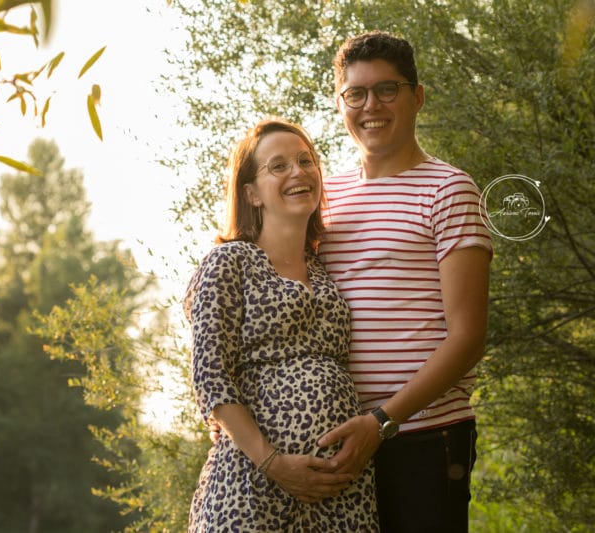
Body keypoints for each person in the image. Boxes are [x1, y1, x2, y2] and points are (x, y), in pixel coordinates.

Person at [315, 31, 492, 532]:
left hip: (424, 437)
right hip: (336, 439)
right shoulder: (325, 198)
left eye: (387, 90)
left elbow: (468, 337)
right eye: (356, 93)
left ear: (417, 96)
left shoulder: (449, 189)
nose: (371, 105)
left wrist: (381, 422)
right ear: (340, 102)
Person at [183, 118, 379, 532]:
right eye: (278, 166)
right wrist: (274, 463)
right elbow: (211, 377)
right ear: (251, 192)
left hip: (340, 493)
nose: (298, 172)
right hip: (251, 486)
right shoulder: (229, 262)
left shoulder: (325, 270)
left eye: (306, 161)